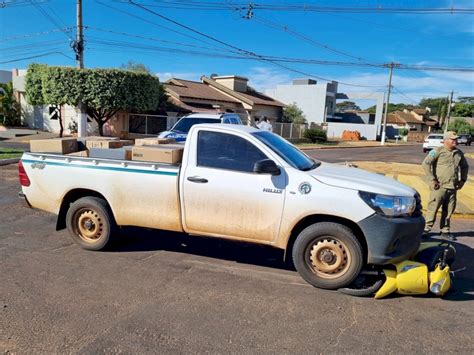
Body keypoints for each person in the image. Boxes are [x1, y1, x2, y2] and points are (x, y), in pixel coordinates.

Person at [422, 131, 469, 241]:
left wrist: (462, 180)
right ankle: (426, 229)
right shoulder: (437, 151)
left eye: (456, 139)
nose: (455, 141)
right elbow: (426, 164)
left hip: (452, 187)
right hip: (439, 187)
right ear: (446, 140)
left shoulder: (459, 153)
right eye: (453, 139)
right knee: (432, 209)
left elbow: (464, 167)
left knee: (448, 211)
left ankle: (445, 230)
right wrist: (432, 179)